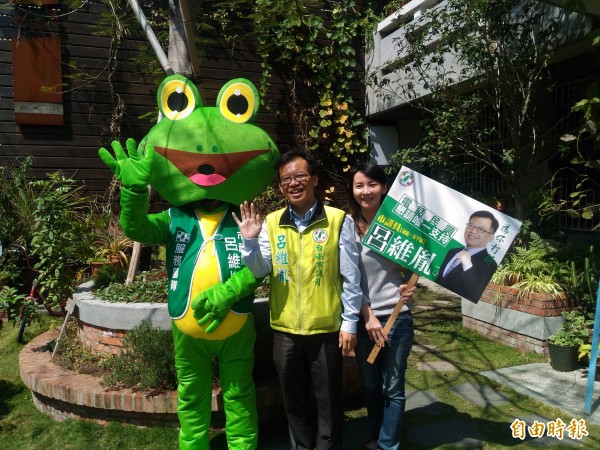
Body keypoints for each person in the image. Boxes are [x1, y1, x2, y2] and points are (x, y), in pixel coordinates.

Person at [233, 150, 363, 450]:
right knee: (292, 400)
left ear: (314, 180)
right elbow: (260, 269)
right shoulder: (272, 222)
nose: (293, 183)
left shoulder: (337, 220)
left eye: (300, 176)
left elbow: (351, 277)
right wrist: (249, 243)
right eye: (286, 179)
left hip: (325, 328)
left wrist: (350, 323)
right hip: (286, 329)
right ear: (280, 187)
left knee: (328, 400)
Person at [348, 163, 415, 450]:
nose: (366, 191)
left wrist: (408, 286)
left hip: (398, 318)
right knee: (371, 386)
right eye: (359, 185)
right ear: (352, 190)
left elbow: (412, 264)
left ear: (384, 187)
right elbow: (347, 279)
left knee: (393, 387)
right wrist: (368, 315)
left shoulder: (396, 224)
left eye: (372, 184)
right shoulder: (348, 228)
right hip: (366, 319)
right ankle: (378, 437)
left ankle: (388, 445)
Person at [435, 210, 499, 302]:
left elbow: (475, 293)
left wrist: (468, 266)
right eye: (470, 225)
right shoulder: (453, 252)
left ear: (490, 237)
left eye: (481, 229)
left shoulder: (490, 265)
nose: (473, 231)